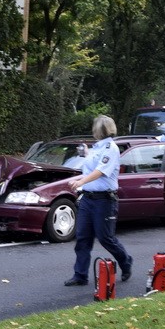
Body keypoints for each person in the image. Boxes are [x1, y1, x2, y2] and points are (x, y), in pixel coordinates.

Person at [63, 115, 132, 287]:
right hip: (88, 198)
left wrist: (80, 182)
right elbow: (90, 170)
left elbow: (101, 171)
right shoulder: (96, 148)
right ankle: (80, 275)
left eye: (95, 127)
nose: (93, 130)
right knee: (82, 237)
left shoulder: (110, 148)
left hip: (104, 200)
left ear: (100, 130)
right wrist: (80, 178)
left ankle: (126, 261)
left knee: (105, 237)